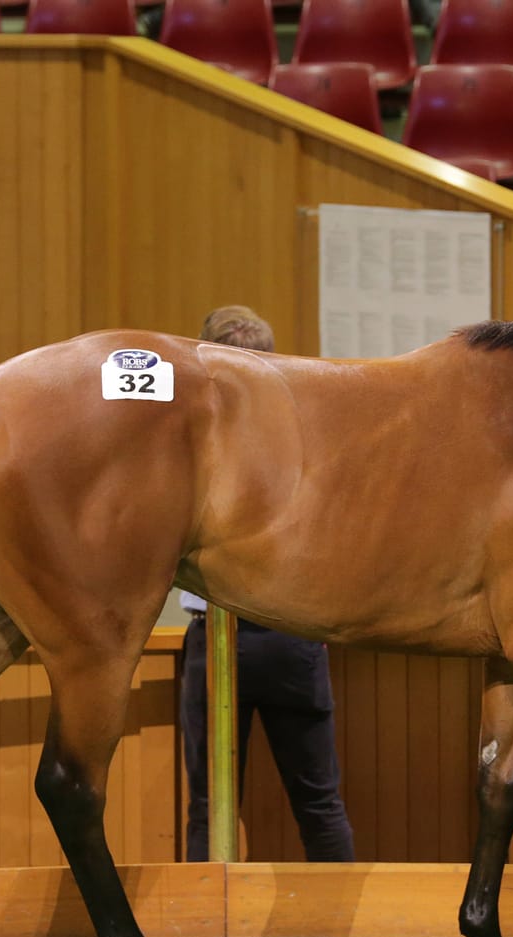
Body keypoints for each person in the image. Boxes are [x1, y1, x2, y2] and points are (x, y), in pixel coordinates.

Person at [178, 306, 355, 864]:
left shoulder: (186, 447)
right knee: (320, 804)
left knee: (209, 806)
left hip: (218, 636)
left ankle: (205, 925)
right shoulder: (313, 445)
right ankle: (344, 928)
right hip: (292, 636)